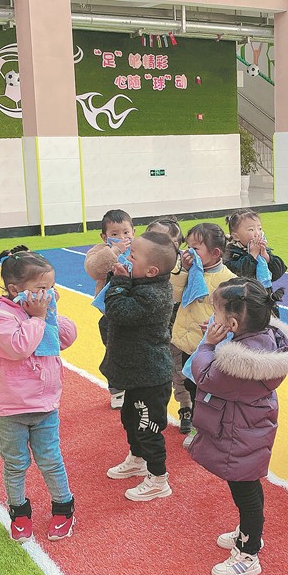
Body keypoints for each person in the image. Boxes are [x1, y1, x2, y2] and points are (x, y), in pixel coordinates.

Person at [189, 278, 288, 575]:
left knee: (245, 490)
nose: (213, 317)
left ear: (234, 323)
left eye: (216, 311)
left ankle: (249, 551)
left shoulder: (237, 362)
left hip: (238, 431)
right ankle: (249, 532)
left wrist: (209, 345)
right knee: (248, 484)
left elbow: (205, 376)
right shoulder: (262, 340)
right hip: (249, 425)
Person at [0, 247, 78, 541]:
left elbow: (66, 338)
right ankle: (19, 513)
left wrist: (50, 313)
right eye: (42, 288)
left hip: (45, 405)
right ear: (16, 290)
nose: (48, 293)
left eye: (51, 287)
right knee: (16, 464)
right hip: (11, 408)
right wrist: (38, 317)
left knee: (51, 460)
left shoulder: (40, 313)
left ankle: (64, 508)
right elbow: (19, 347)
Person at [101, 231, 179, 501]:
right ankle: (137, 459)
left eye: (133, 256)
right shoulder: (143, 283)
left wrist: (119, 282)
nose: (127, 259)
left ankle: (158, 479)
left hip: (151, 377)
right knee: (130, 419)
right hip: (136, 373)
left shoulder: (155, 294)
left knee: (148, 427)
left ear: (152, 271)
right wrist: (119, 279)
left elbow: (118, 310)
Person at [171, 223, 236, 447]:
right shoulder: (189, 271)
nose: (188, 253)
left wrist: (218, 323)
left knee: (210, 390)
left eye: (195, 248)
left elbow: (233, 312)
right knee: (191, 386)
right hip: (188, 343)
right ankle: (198, 427)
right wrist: (183, 270)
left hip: (210, 345)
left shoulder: (228, 279)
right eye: (187, 247)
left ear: (215, 253)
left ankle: (214, 428)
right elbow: (175, 295)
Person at [85, 209, 136, 411]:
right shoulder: (100, 251)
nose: (122, 238)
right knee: (114, 352)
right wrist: (114, 252)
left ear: (134, 232)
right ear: (104, 237)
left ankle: (135, 386)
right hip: (111, 315)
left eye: (126, 232)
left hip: (134, 312)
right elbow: (93, 270)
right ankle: (116, 389)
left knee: (136, 350)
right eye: (114, 234)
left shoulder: (139, 249)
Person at [146, 217, 193, 435]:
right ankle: (149, 410)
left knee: (180, 370)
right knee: (152, 373)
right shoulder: (139, 261)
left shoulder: (184, 264)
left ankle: (186, 408)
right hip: (150, 331)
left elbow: (178, 294)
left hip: (176, 328)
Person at [223, 208, 287, 285]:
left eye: (260, 229)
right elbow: (239, 274)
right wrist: (252, 255)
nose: (257, 233)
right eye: (251, 230)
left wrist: (266, 256)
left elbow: (277, 273)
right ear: (236, 236)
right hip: (242, 291)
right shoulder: (230, 253)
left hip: (262, 291)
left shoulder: (262, 250)